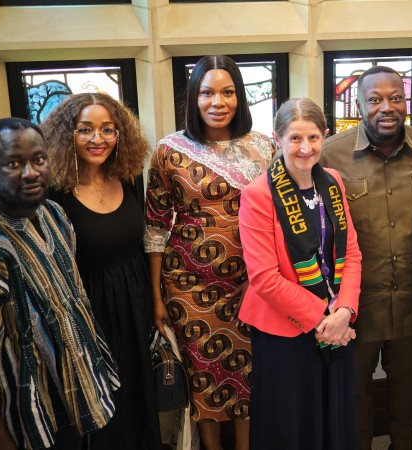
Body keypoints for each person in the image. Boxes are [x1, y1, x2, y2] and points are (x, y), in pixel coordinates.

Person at [0, 117, 119, 450]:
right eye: (14, 163)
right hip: (14, 423)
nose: (30, 172)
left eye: (38, 160)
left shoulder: (52, 214)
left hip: (64, 402)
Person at [146, 55, 275, 450]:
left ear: (240, 97)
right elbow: (154, 226)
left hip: (251, 282)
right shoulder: (169, 151)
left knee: (249, 374)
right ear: (193, 98)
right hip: (188, 284)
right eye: (207, 92)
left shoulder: (264, 147)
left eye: (227, 92)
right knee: (203, 375)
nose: (217, 102)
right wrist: (155, 296)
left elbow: (276, 218)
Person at [320, 65, 412, 450]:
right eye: (375, 99)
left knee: (406, 394)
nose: (386, 107)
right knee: (355, 396)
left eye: (395, 97)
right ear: (359, 104)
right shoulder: (331, 155)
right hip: (356, 305)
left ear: (405, 101)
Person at [238, 98, 362, 449]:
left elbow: (351, 251)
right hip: (285, 331)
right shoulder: (258, 194)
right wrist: (326, 318)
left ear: (324, 136)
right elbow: (264, 278)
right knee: (291, 425)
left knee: (332, 418)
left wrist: (345, 310)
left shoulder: (332, 181)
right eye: (294, 138)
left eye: (312, 138)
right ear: (277, 139)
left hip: (337, 323)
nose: (305, 148)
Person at [40, 92, 161, 449]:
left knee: (138, 395)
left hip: (134, 303)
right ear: (67, 136)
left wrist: (153, 302)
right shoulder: (54, 193)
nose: (98, 139)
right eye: (85, 130)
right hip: (90, 311)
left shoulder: (127, 177)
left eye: (108, 129)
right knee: (101, 405)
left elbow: (141, 243)